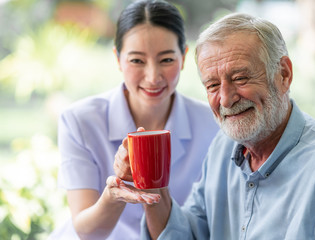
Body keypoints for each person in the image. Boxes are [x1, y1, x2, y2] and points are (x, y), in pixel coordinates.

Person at [108, 12, 315, 239]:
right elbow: (189, 235)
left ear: (284, 74)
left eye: (240, 78)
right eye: (213, 86)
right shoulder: (223, 147)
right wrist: (152, 190)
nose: (226, 99)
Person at [48, 0, 219, 239]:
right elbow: (86, 232)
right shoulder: (80, 121)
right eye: (137, 60)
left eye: (166, 60)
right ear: (118, 58)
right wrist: (113, 196)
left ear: (184, 56)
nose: (153, 77)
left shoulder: (212, 124)